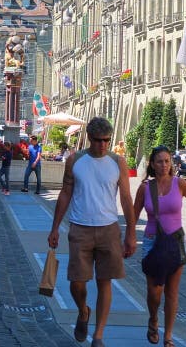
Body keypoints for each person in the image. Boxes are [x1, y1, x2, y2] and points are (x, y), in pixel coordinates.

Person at [47, 117, 136, 347]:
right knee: (77, 282)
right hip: (80, 228)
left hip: (109, 229)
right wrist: (55, 227)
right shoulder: (76, 160)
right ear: (89, 138)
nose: (103, 145)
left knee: (105, 281)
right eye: (98, 140)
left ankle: (98, 335)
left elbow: (126, 198)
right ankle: (83, 311)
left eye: (107, 140)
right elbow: (65, 192)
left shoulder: (118, 162)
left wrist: (131, 233)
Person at [133, 146, 186, 347]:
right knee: (155, 291)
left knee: (171, 291)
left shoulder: (180, 184)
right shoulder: (145, 188)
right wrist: (128, 240)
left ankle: (168, 336)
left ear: (172, 163)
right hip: (153, 242)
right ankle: (153, 318)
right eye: (159, 161)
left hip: (176, 241)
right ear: (152, 164)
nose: (164, 165)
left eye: (167, 161)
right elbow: (133, 216)